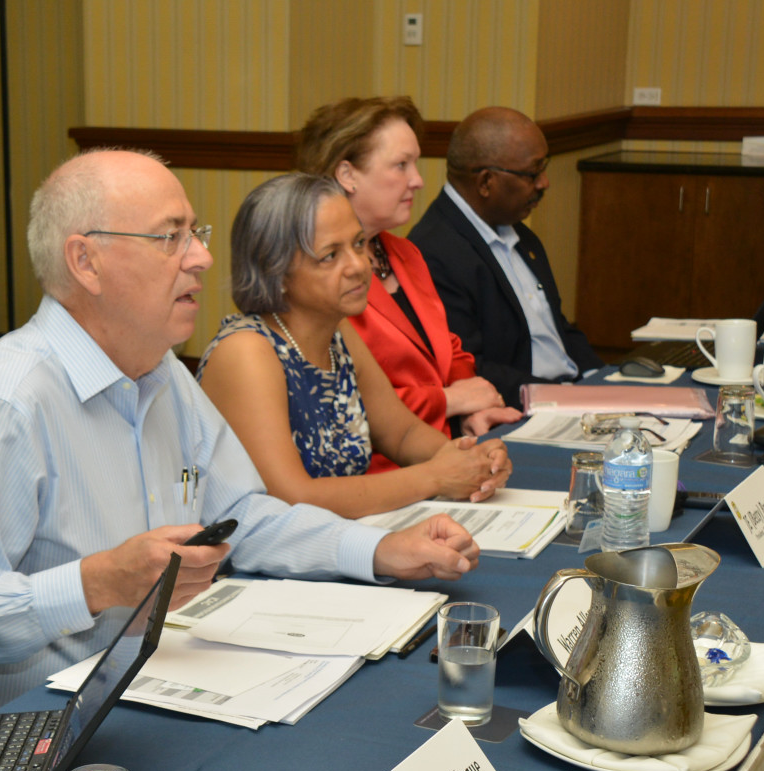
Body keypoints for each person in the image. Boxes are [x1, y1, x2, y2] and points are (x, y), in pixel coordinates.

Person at [0, 150, 481, 714]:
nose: (201, 257)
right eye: (170, 237)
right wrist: (96, 584)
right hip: (19, 730)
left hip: (146, 687)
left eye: (195, 234)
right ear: (85, 262)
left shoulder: (162, 371)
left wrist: (379, 549)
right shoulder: (7, 400)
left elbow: (242, 516)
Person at [196, 173, 512, 518]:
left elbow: (403, 434)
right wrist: (435, 477)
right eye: (330, 256)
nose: (359, 266)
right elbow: (291, 497)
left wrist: (471, 459)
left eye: (359, 243)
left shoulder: (338, 332)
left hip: (340, 538)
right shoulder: (246, 352)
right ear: (276, 271)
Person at [295, 96, 520, 444]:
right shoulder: (314, 271)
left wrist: (473, 407)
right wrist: (448, 401)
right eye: (401, 165)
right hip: (374, 463)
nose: (417, 180)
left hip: (442, 444)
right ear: (347, 175)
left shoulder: (404, 252)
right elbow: (338, 398)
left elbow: (448, 347)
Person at [406, 106, 600, 408]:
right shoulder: (433, 253)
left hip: (572, 396)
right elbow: (470, 368)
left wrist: (602, 379)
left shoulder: (520, 234)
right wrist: (567, 397)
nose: (544, 183)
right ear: (486, 182)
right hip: (522, 409)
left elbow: (557, 328)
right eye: (533, 173)